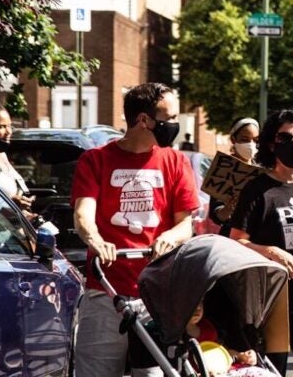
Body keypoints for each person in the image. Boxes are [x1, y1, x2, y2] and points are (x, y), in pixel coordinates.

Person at [71, 82, 199, 377]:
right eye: (170, 118)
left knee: (154, 372)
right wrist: (97, 241)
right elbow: (82, 215)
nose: (176, 125)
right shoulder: (96, 160)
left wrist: (169, 236)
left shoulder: (176, 161)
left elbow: (185, 224)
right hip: (105, 290)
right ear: (144, 120)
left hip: (155, 293)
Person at [230, 109, 293, 377]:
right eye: (284, 138)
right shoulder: (257, 190)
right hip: (269, 307)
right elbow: (235, 241)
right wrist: (269, 252)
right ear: (271, 144)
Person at [210, 117, 260, 236]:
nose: (251, 144)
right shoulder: (223, 169)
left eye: (255, 140)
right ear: (233, 139)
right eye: (244, 139)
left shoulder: (262, 170)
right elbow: (217, 215)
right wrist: (227, 209)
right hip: (231, 237)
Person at [0, 104, 34, 215]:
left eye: (10, 126)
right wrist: (10, 204)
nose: (9, 132)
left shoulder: (2, 155)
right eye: (1, 126)